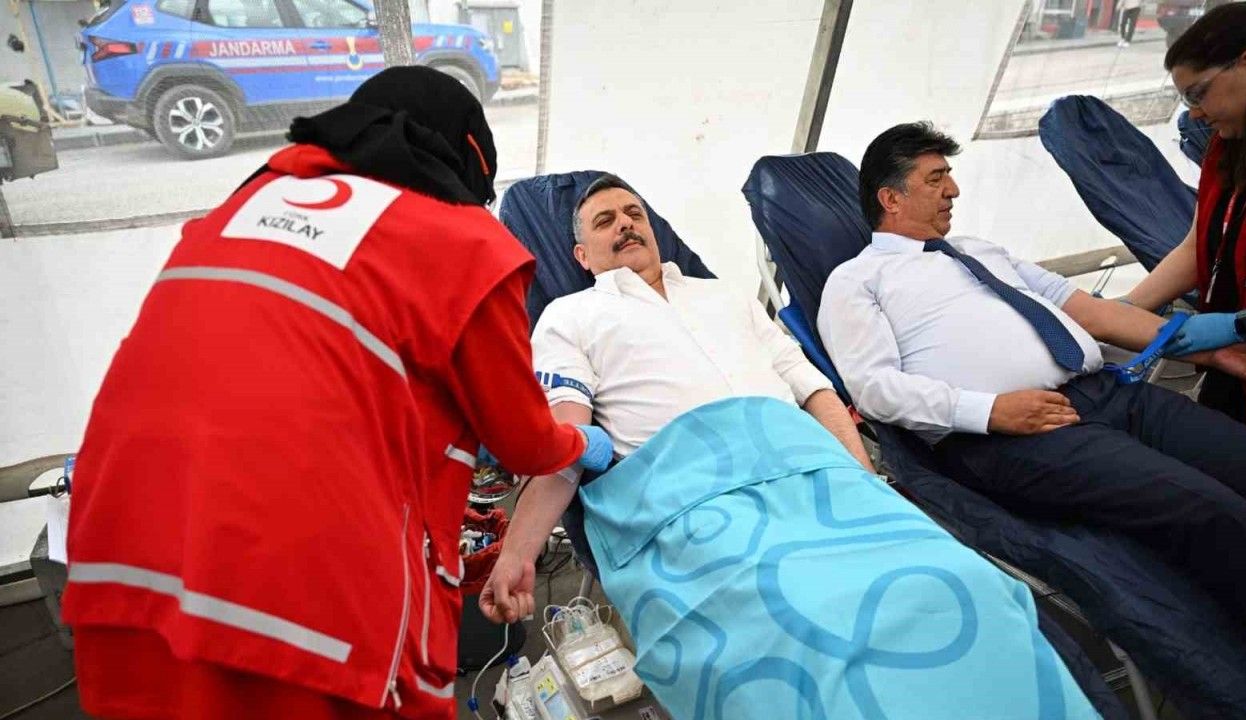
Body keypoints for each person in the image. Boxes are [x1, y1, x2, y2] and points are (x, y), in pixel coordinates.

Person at [62, 67, 613, 720]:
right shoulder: (465, 242)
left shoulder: (232, 215)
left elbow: (275, 373)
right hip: (299, 587)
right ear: (467, 163)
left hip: (123, 558)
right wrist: (578, 442)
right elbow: (521, 438)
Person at [479, 174, 1104, 719]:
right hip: (694, 501)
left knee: (965, 584)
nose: (625, 224)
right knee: (796, 631)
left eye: (634, 213)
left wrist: (866, 483)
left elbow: (814, 391)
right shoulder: (570, 316)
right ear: (581, 254)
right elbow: (565, 442)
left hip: (814, 477)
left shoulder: (723, 297)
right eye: (605, 221)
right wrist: (518, 555)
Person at [818, 120, 1246, 648]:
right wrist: (990, 411)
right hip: (1017, 435)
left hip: (1110, 392)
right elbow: (874, 388)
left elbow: (1096, 314)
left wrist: (1218, 352)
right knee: (1211, 511)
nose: (954, 190)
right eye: (936, 179)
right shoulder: (856, 281)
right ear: (891, 198)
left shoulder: (981, 250)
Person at [1125, 0, 1246, 434]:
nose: (1193, 112)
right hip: (1241, 368)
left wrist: (1240, 325)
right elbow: (1200, 245)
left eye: (1197, 94)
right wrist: (1124, 311)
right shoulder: (1228, 147)